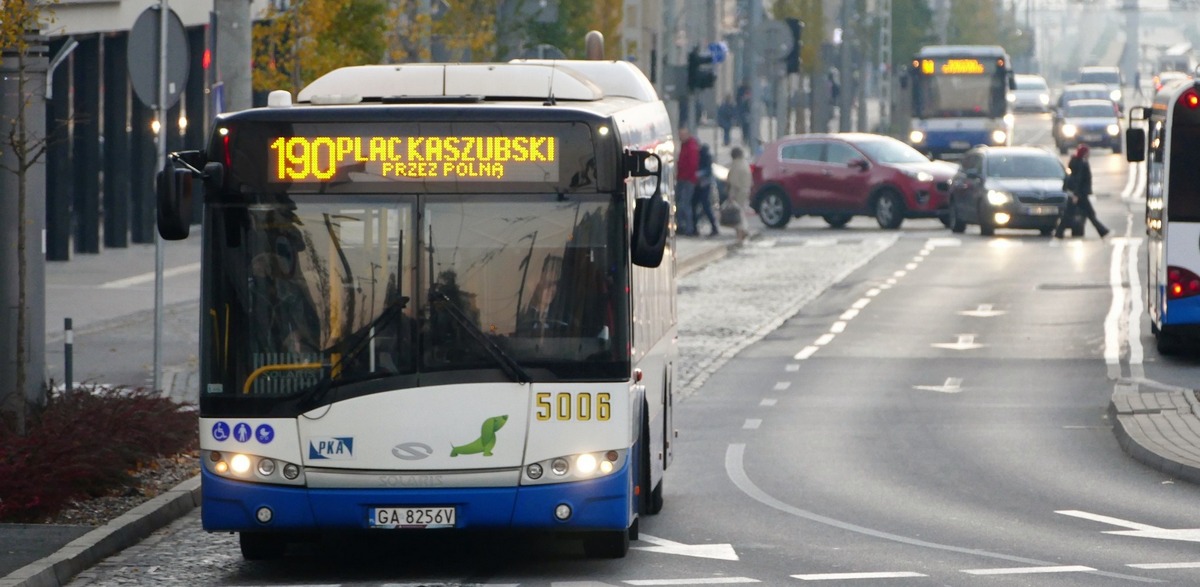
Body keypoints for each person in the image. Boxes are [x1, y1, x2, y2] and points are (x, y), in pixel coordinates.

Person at [1056, 144, 1109, 239]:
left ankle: (1059, 233)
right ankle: (1103, 232)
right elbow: (1079, 180)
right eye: (1088, 153)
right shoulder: (1082, 164)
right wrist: (1076, 195)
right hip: (1080, 194)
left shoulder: (1076, 162)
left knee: (1069, 214)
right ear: (1084, 153)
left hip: (1077, 193)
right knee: (1089, 214)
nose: (1089, 154)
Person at [676, 126, 700, 236]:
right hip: (682, 178)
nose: (680, 137)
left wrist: (685, 176)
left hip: (687, 179)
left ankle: (688, 228)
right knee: (681, 204)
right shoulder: (685, 145)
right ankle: (682, 226)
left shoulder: (691, 147)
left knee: (685, 204)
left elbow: (692, 165)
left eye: (682, 135)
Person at [726, 146, 753, 245]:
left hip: (738, 192)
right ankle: (744, 231)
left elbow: (732, 181)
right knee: (742, 211)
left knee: (737, 214)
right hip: (746, 190)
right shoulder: (745, 164)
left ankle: (741, 234)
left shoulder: (735, 165)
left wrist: (730, 195)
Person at [694, 143, 720, 237]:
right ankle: (713, 227)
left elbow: (707, 171)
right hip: (704, 185)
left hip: (701, 185)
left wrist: (697, 174)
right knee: (704, 206)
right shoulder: (707, 157)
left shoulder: (702, 157)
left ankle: (696, 228)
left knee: (698, 206)